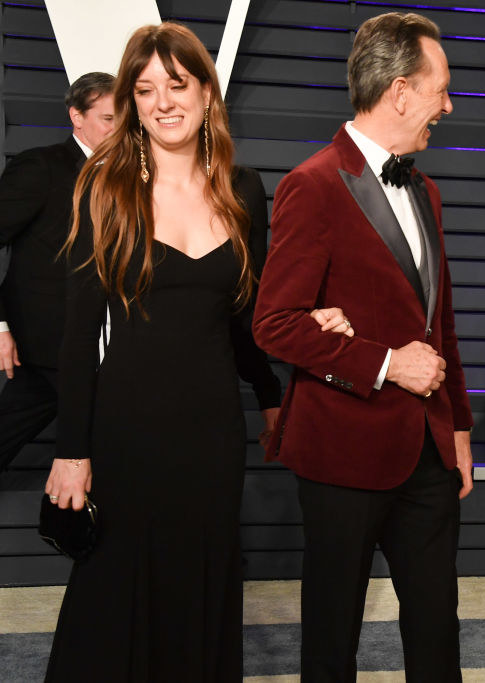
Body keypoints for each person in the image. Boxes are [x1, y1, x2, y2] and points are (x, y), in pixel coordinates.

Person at [43, 22, 281, 680]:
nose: (163, 101)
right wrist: (71, 450)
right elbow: (77, 332)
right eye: (145, 89)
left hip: (210, 433)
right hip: (125, 432)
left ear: (207, 93)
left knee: (200, 582)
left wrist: (271, 398)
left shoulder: (244, 190)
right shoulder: (106, 186)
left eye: (177, 84)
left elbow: (245, 319)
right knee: (114, 591)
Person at [252, 12, 473, 681]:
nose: (449, 104)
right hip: (342, 451)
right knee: (332, 635)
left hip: (430, 452)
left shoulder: (426, 190)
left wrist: (460, 428)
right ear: (402, 92)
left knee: (437, 626)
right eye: (442, 88)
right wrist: (384, 362)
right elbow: (275, 322)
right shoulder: (312, 184)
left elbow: (442, 325)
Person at [0, 72, 114, 473]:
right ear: (76, 117)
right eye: (108, 119)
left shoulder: (133, 180)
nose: (118, 131)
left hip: (111, 352)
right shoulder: (41, 167)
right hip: (47, 348)